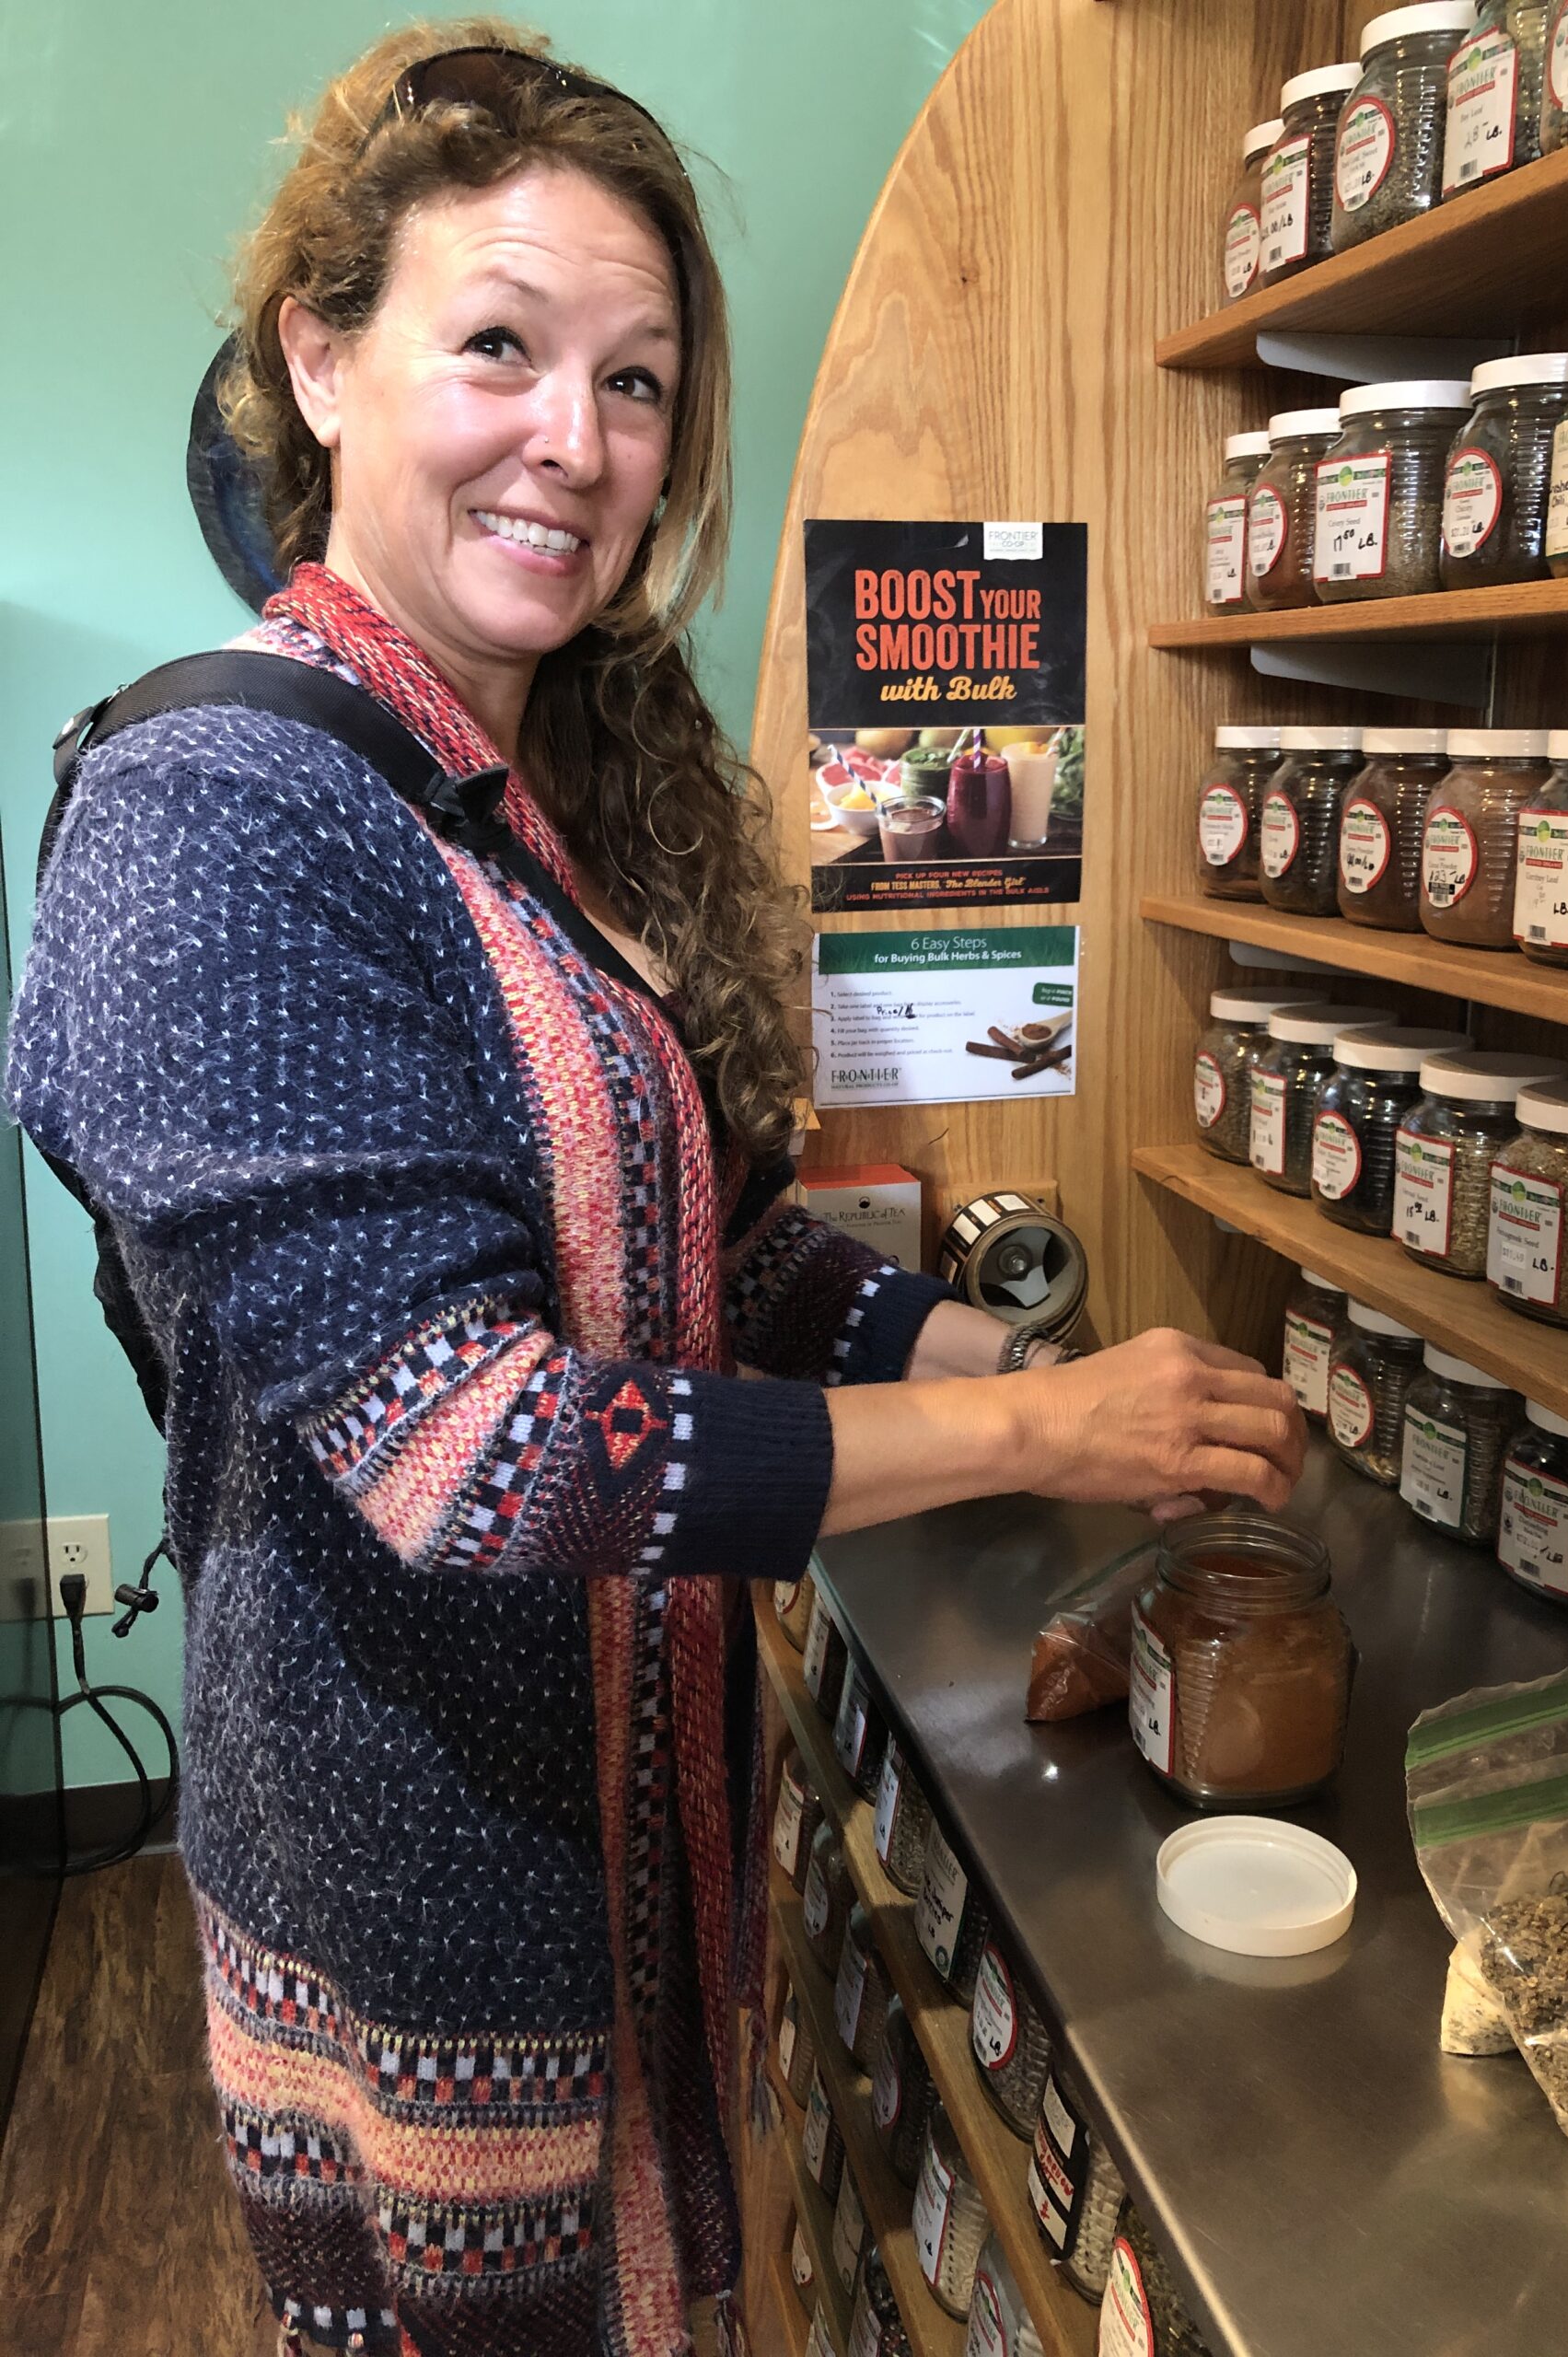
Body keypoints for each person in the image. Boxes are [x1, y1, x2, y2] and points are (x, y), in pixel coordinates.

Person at [6, 21, 1305, 2356]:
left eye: (635, 382)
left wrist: (1001, 1350)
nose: (573, 443)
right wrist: (1039, 1439)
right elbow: (473, 1441)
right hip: (433, 1922)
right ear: (319, 357)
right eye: (496, 346)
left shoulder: (522, 782)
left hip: (626, 1864)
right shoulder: (225, 815)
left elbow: (708, 1244)